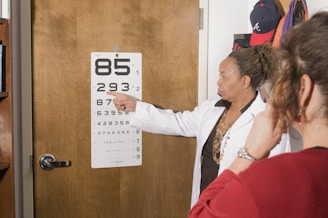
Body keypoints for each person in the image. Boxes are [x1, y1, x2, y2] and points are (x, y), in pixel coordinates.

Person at [107, 43, 290, 208]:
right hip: (205, 202)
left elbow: (274, 179)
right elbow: (177, 122)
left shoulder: (268, 119)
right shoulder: (211, 109)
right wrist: (135, 107)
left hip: (239, 208)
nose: (218, 82)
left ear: (245, 81)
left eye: (224, 76)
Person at [189, 11, 328, 217]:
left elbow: (201, 214)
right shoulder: (212, 109)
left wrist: (249, 153)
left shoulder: (269, 181)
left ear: (303, 89)